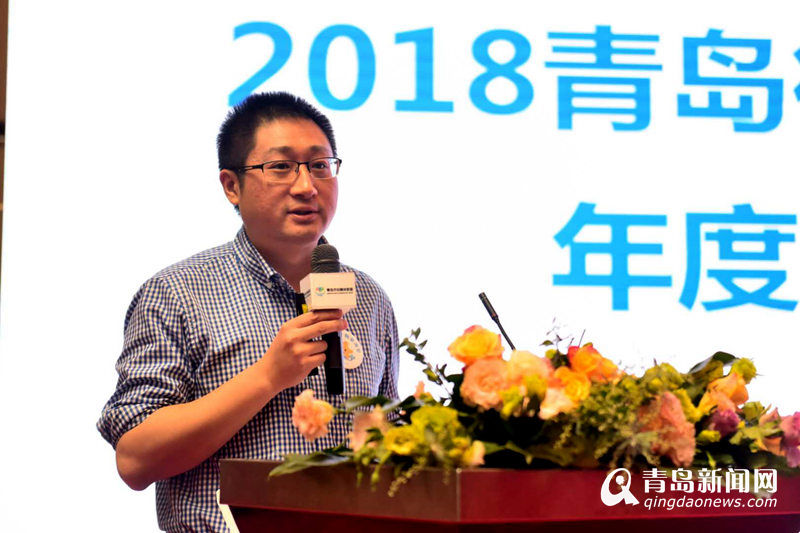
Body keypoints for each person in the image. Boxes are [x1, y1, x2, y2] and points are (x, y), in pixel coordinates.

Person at [97, 92, 399, 532]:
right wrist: (268, 376)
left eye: (320, 165)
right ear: (231, 186)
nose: (306, 185)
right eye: (281, 167)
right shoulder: (177, 293)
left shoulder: (370, 298)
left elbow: (386, 440)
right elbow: (135, 460)